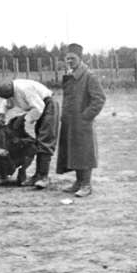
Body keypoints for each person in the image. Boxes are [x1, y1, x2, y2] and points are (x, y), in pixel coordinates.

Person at [56, 43, 106, 197]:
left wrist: (86, 116)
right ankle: (78, 182)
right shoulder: (71, 75)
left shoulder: (89, 76)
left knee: (85, 153)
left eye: (73, 58)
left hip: (82, 122)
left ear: (80, 58)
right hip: (70, 122)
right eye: (67, 59)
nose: (69, 61)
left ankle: (86, 185)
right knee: (74, 152)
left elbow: (99, 99)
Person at [0, 79, 60, 189]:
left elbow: (39, 108)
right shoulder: (10, 91)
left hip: (48, 106)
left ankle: (43, 177)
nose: (8, 98)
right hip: (39, 108)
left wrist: (25, 119)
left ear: (12, 90)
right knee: (39, 140)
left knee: (45, 140)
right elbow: (6, 103)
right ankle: (37, 176)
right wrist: (1, 114)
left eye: (8, 95)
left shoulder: (24, 89)